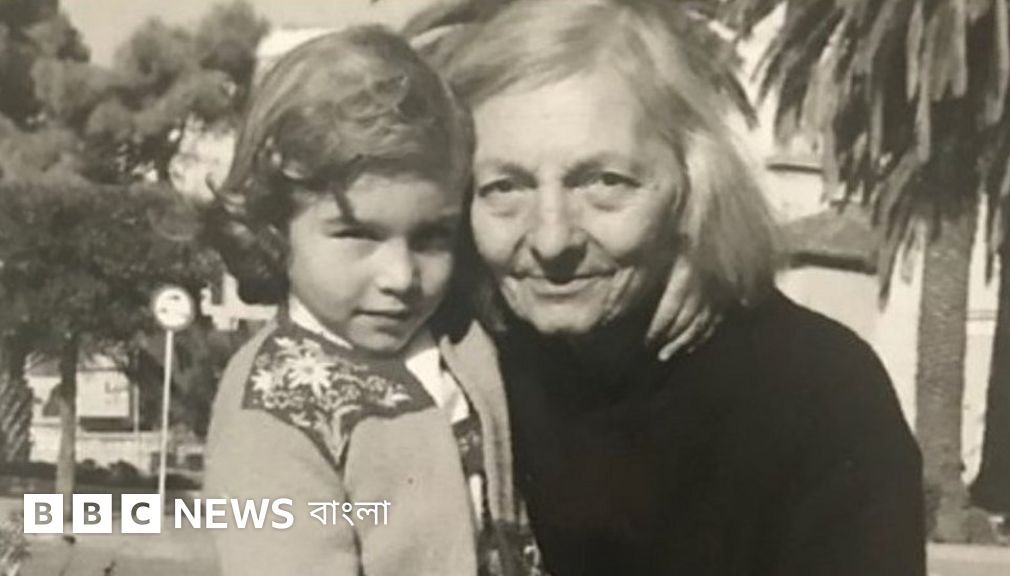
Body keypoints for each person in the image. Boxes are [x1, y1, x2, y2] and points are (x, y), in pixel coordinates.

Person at [437, 0, 928, 575]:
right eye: (504, 188)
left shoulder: (817, 393)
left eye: (605, 182)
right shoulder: (447, 364)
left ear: (693, 185)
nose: (551, 239)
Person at [201, 26, 498, 576]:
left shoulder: (464, 338)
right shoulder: (274, 403)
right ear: (274, 228)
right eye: (358, 234)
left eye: (432, 237)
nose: (402, 277)